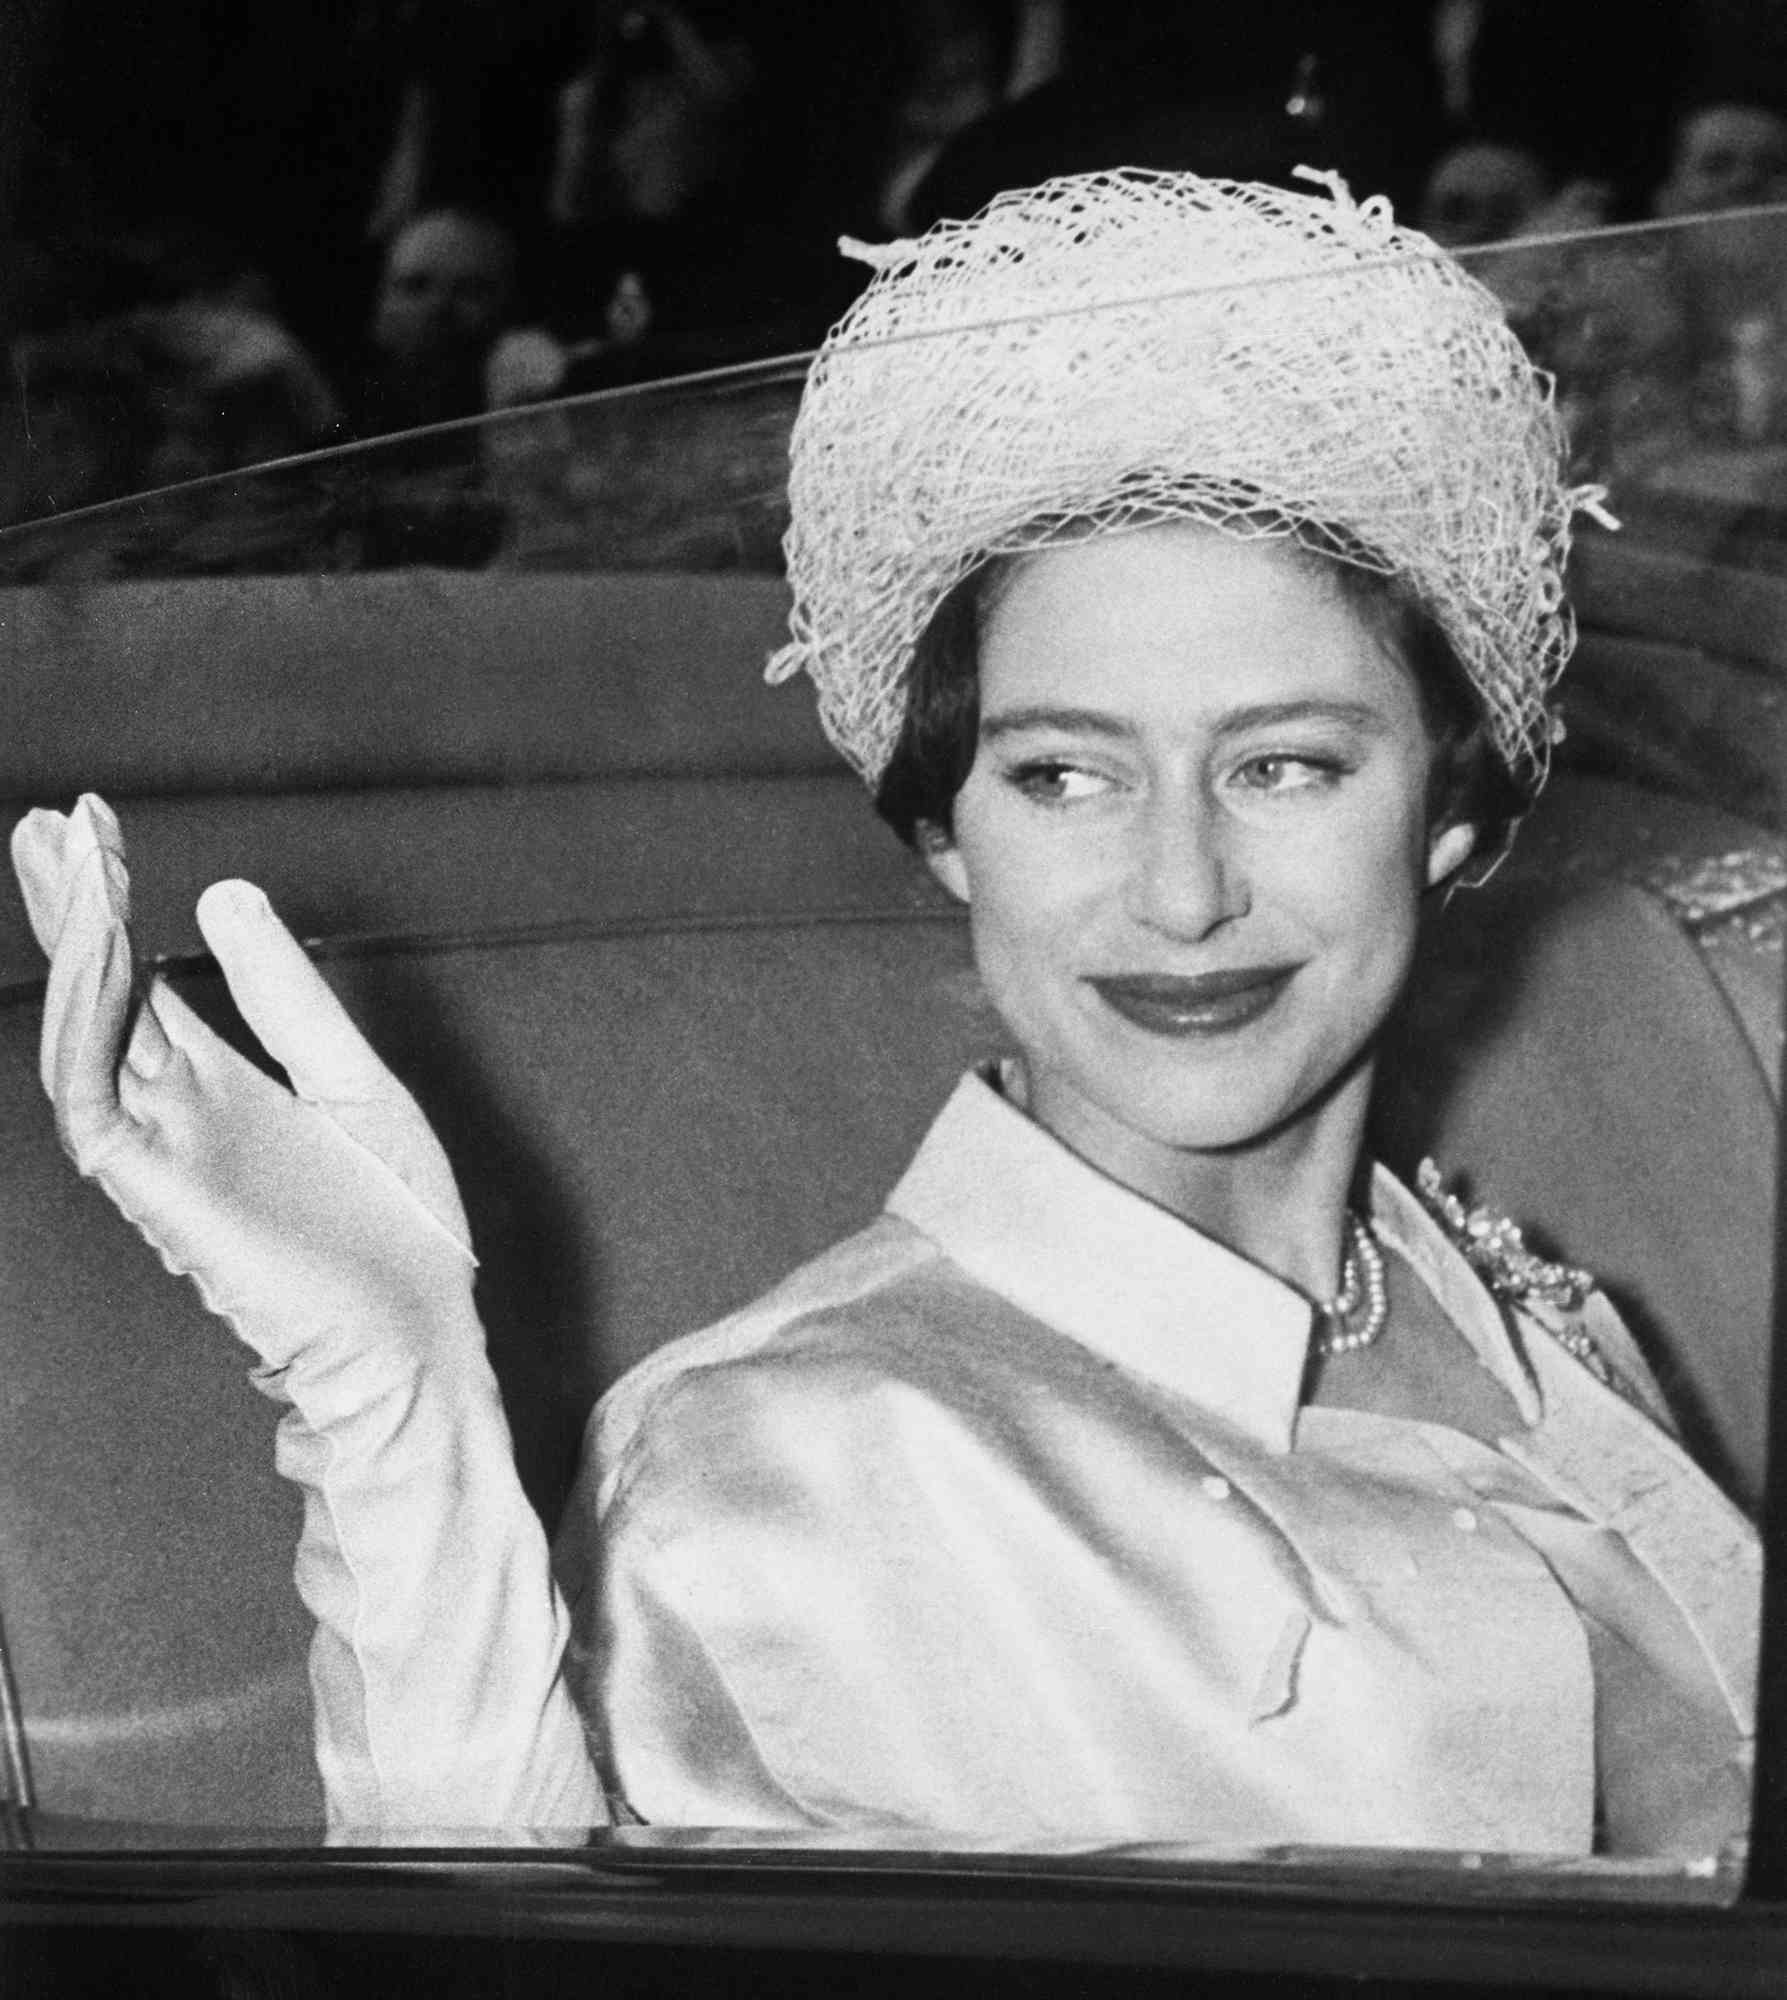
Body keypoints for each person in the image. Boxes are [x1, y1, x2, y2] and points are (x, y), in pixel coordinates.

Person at [11, 168, 1760, 1856]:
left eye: (1285, 764)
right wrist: (386, 1414)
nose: (1180, 891)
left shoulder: (1498, 1293)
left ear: (1450, 814)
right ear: (948, 836)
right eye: (1065, 775)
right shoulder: (799, 1462)